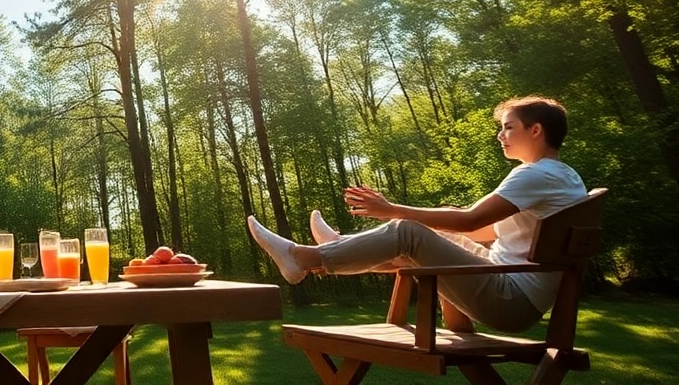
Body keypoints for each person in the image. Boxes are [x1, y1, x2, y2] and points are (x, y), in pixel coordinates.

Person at [247, 95, 587, 333]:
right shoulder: (563, 175)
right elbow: (486, 232)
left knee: (408, 232)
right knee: (425, 233)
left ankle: (303, 256)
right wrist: (436, 226)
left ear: (536, 130)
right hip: (509, 289)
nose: (500, 135)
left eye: (508, 127)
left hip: (510, 299)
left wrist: (392, 210)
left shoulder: (535, 175)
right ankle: (333, 249)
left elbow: (472, 221)